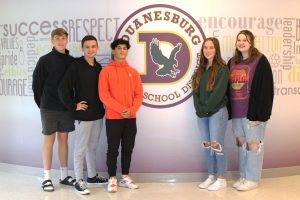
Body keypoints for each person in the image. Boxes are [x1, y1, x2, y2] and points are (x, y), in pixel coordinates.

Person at [58, 35, 108, 195]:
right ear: (82, 48)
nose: (90, 49)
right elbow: (62, 89)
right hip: (83, 115)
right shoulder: (75, 65)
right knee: (80, 149)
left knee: (92, 147)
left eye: (93, 46)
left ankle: (92, 176)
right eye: (87, 47)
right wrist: (74, 105)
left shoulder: (98, 67)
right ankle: (79, 180)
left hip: (98, 114)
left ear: (97, 48)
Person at [228, 30, 274, 191]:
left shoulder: (260, 61)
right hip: (236, 112)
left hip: (252, 114)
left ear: (251, 42)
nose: (241, 42)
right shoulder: (232, 62)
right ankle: (244, 176)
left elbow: (266, 89)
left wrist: (260, 115)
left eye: (245, 40)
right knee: (241, 144)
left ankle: (253, 178)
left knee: (253, 144)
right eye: (238, 40)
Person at [32, 28, 75, 192]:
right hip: (48, 107)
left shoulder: (72, 61)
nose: (60, 41)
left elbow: (73, 85)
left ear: (67, 40)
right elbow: (37, 86)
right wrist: (43, 104)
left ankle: (64, 175)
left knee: (64, 140)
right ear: (52, 41)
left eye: (63, 38)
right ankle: (47, 177)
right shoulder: (44, 60)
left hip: (66, 108)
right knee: (49, 141)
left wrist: (71, 104)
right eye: (57, 38)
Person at [98, 38, 143, 193]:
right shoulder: (106, 72)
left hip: (130, 118)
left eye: (124, 48)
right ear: (113, 51)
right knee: (113, 150)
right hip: (113, 118)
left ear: (127, 51)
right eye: (118, 48)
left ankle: (125, 177)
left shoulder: (134, 73)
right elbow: (104, 95)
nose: (122, 50)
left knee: (128, 149)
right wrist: (121, 109)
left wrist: (130, 110)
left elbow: (139, 95)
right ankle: (112, 178)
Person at [192, 37, 229, 191]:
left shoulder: (222, 69)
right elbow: (195, 92)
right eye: (205, 47)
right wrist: (200, 109)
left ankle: (221, 178)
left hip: (217, 113)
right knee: (207, 146)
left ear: (216, 49)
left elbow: (218, 94)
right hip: (202, 114)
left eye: (211, 47)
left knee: (216, 145)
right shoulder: (200, 70)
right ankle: (211, 176)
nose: (208, 50)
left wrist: (205, 108)